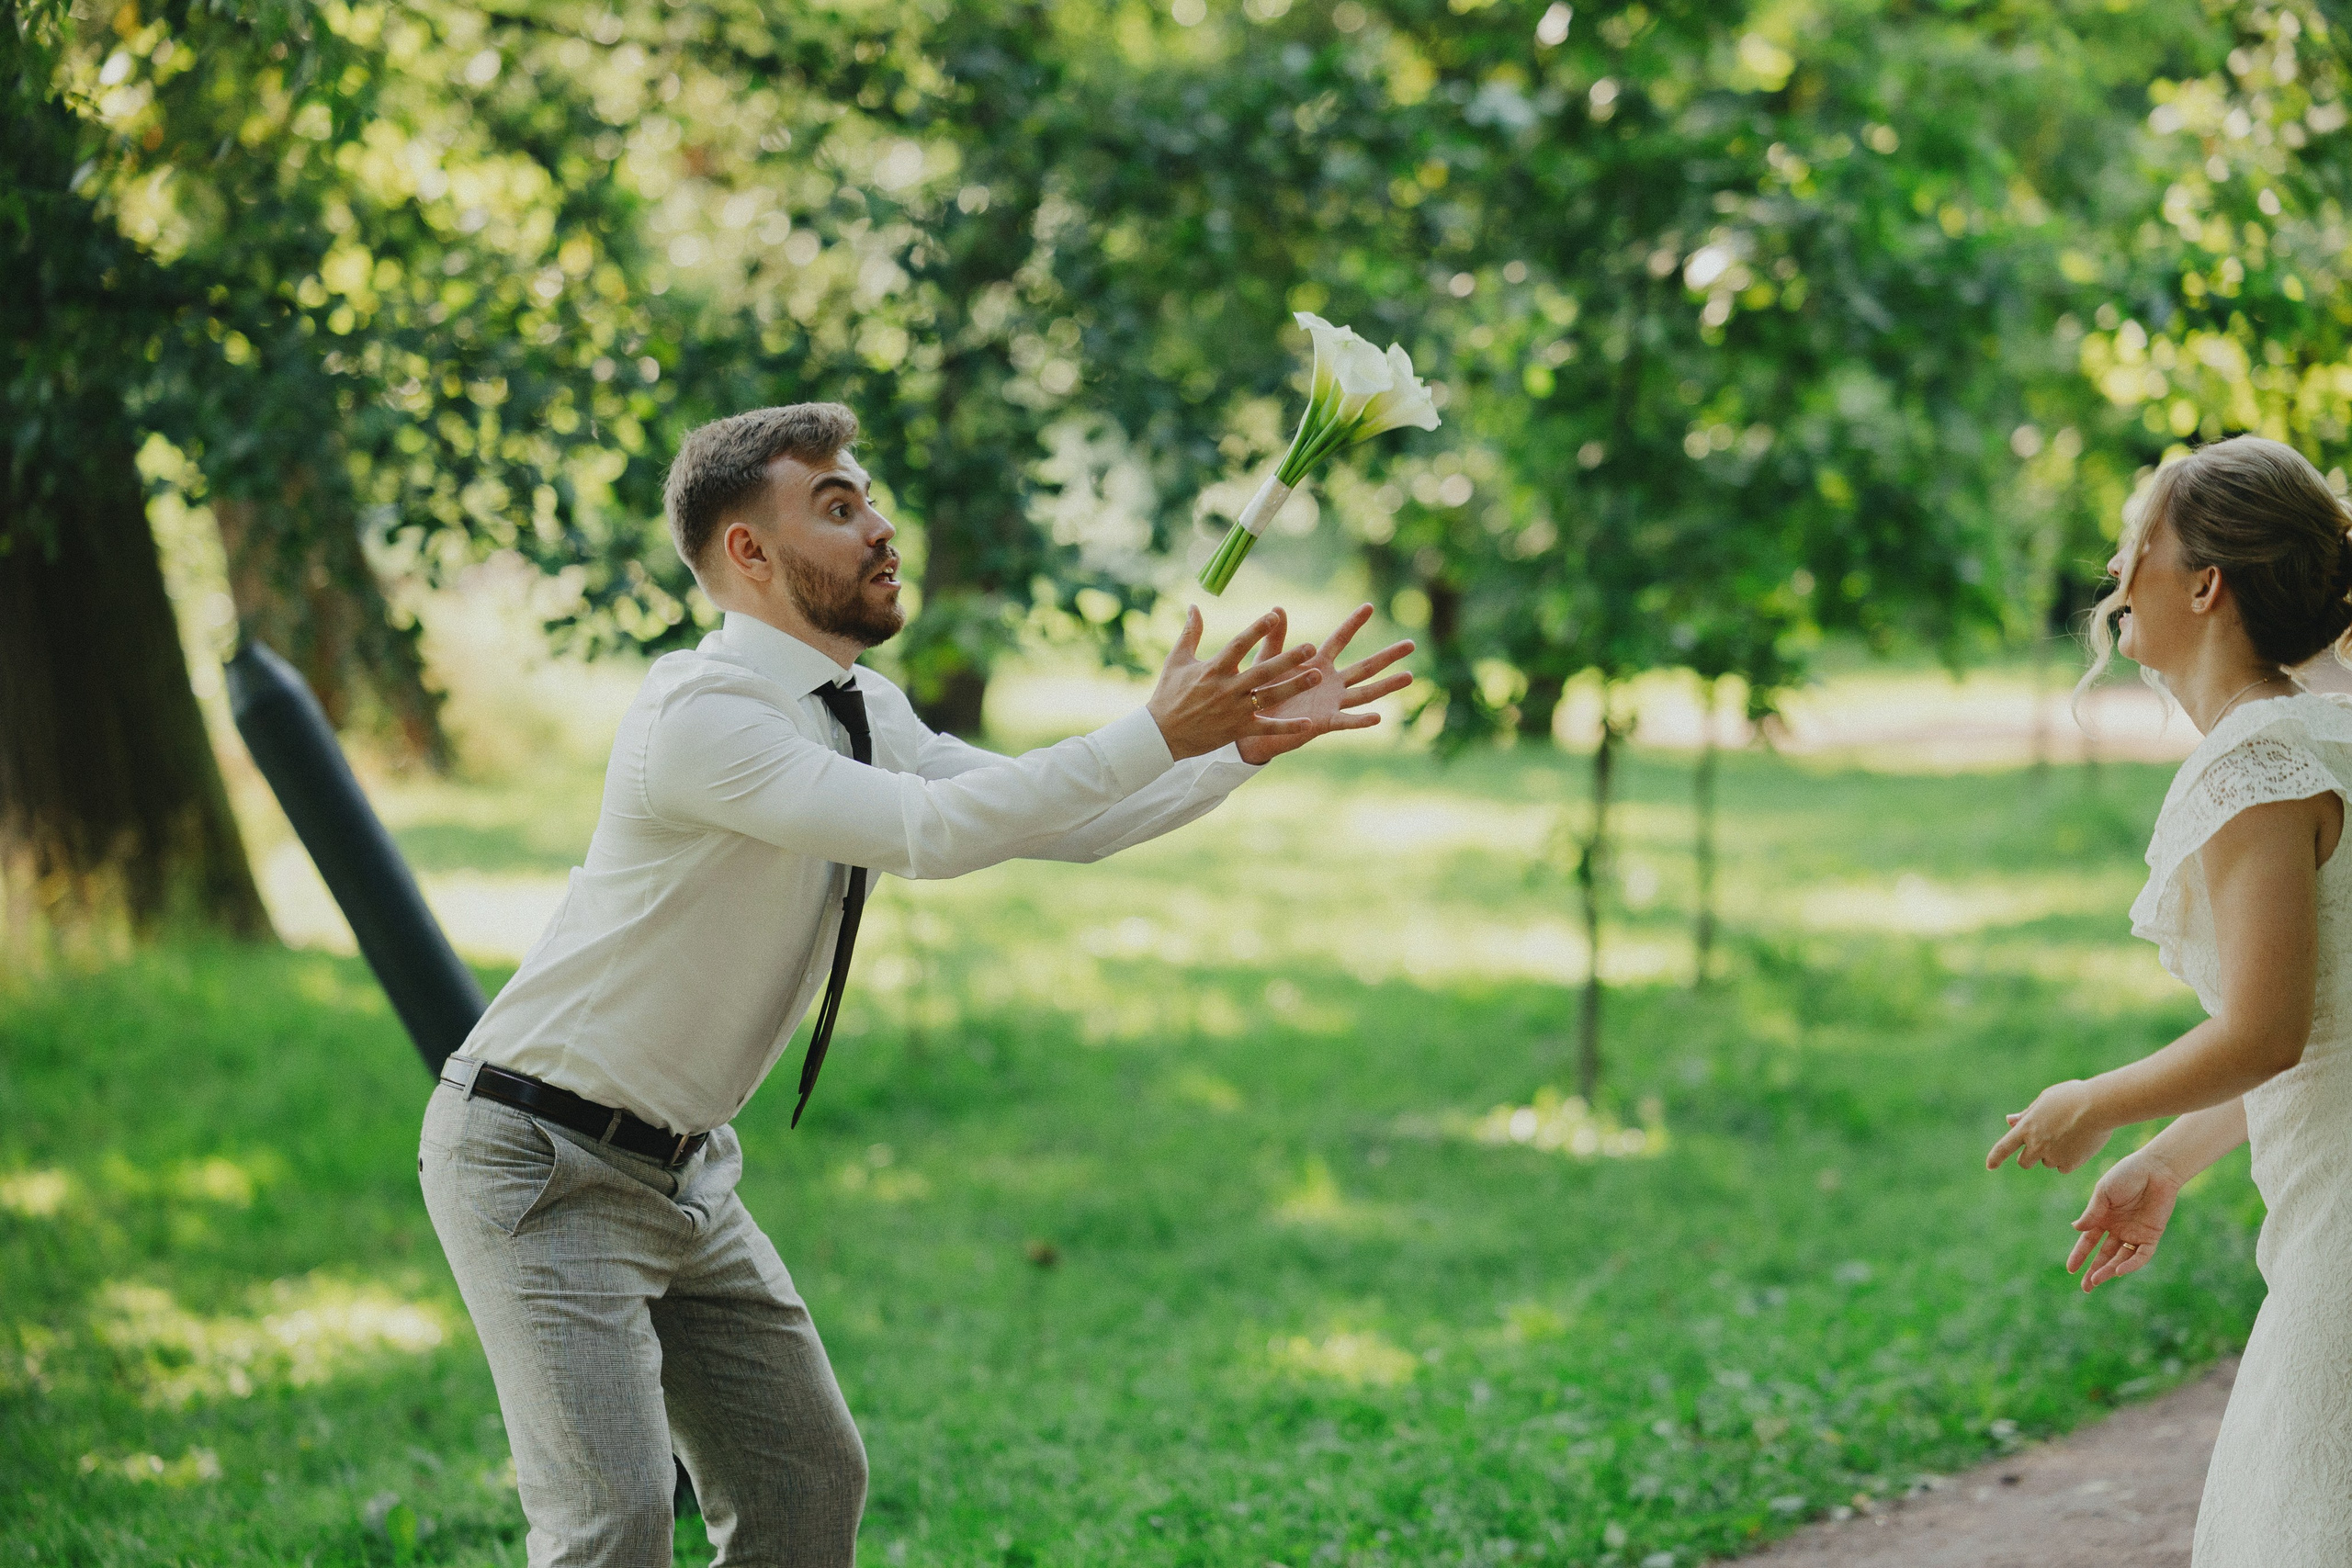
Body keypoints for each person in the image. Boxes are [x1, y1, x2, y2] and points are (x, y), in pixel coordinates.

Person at [417, 401, 1415, 1565]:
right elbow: (931, 832)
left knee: (804, 1484)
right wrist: (1153, 729)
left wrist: (1231, 748)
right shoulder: (700, 715)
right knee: (615, 1523)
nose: (881, 528)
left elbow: (1057, 822)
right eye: (838, 508)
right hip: (542, 1160)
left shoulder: (859, 707)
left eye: (870, 499)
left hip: (682, 1170)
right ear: (748, 551)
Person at [1986, 434, 2352, 1565]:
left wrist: (2093, 1103)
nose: (2114, 567)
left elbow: (2264, 1032)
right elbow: (2327, 1027)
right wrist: (2167, 1161)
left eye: (2137, 540)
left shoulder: (2256, 763)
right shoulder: (2333, 733)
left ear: (2204, 585)